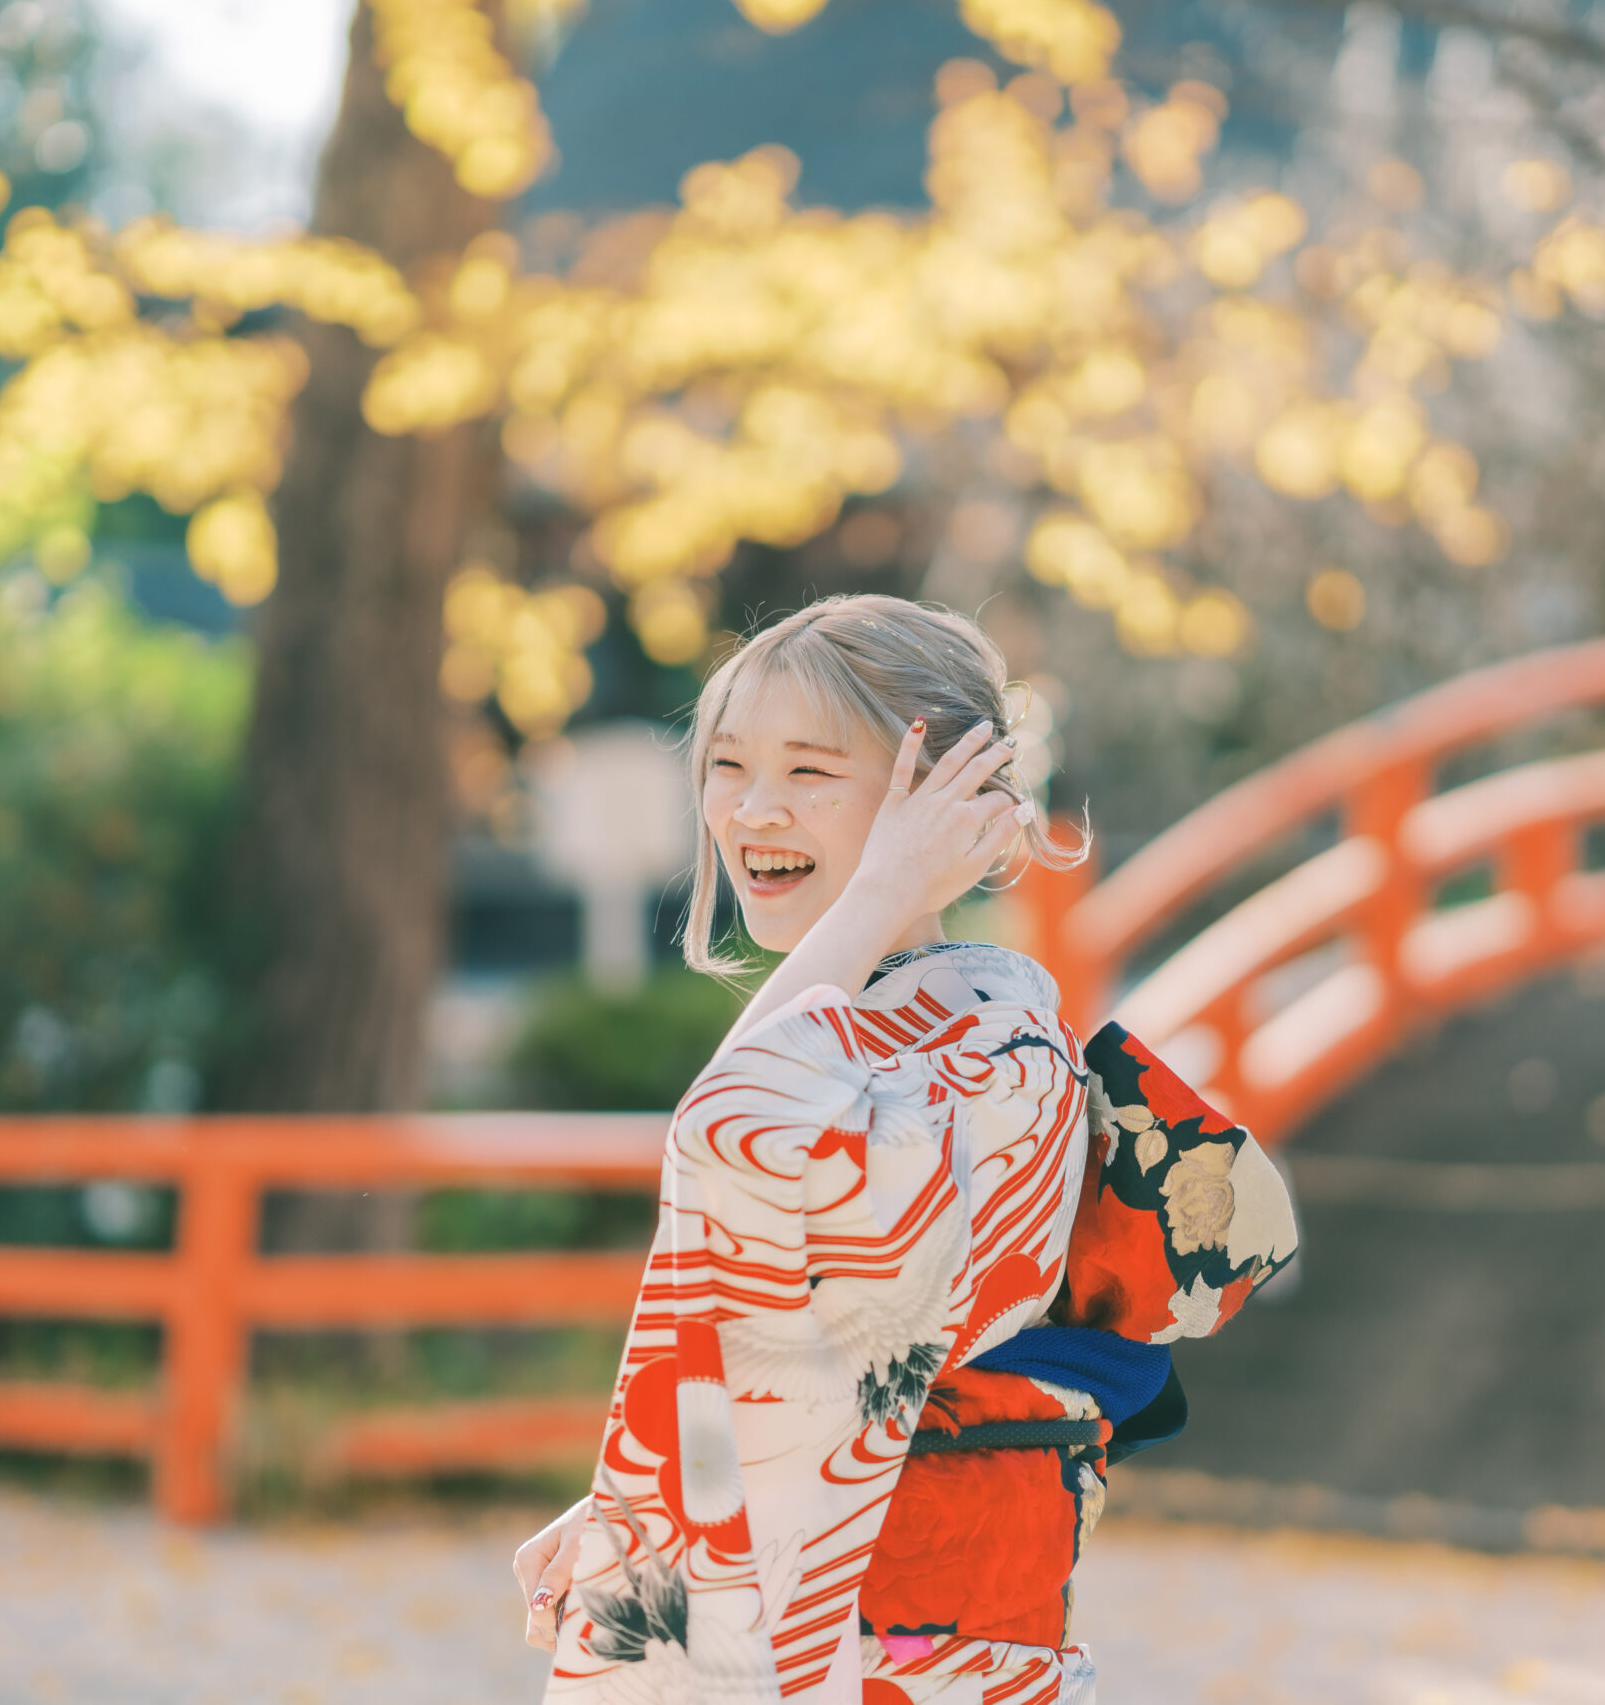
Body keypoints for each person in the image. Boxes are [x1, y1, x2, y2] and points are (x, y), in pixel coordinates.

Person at [512, 594, 1298, 1703]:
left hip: (907, 1641)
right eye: (727, 766)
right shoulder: (902, 1021)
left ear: (940, 795)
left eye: (810, 773)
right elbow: (775, 1318)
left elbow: (735, 1135)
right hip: (859, 1605)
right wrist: (634, 1506)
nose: (751, 811)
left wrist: (882, 890)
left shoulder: (996, 1046)